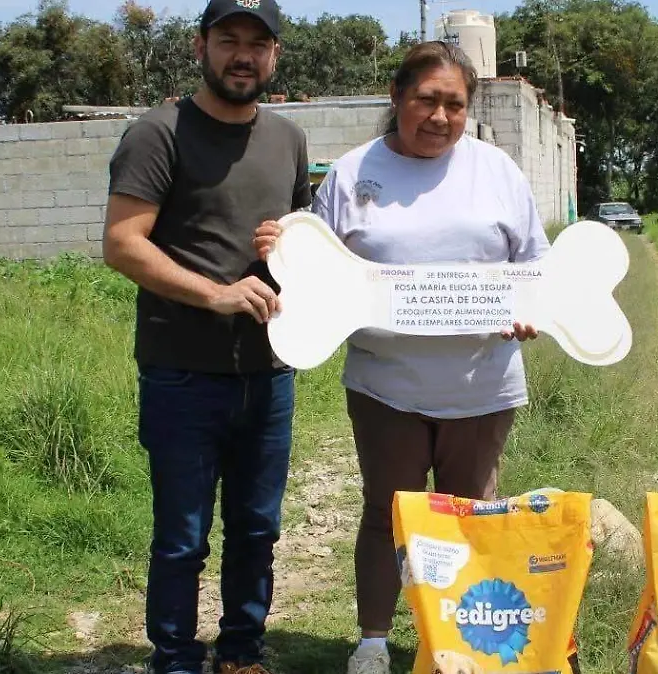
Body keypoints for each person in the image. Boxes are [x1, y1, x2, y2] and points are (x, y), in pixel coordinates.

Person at [254, 41, 547, 674]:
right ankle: (374, 644)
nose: (440, 117)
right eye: (427, 100)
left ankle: (464, 643)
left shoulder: (497, 171)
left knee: (471, 518)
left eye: (455, 104)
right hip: (385, 385)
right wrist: (282, 248)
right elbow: (317, 272)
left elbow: (536, 268)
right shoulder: (352, 173)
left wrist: (534, 312)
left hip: (482, 384)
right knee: (387, 514)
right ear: (397, 98)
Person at [101, 0, 311, 672]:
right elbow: (122, 244)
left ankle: (242, 652)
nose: (243, 54)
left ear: (275, 55)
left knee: (257, 531)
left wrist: (289, 248)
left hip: (270, 372)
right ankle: (176, 658)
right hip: (182, 373)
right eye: (229, 39)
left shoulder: (288, 140)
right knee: (183, 539)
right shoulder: (157, 134)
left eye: (258, 43)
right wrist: (217, 293)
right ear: (201, 47)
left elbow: (308, 252)